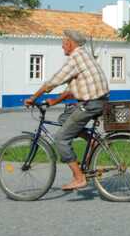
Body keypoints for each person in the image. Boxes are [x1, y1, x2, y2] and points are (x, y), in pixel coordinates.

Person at [24, 29, 109, 190]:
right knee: (63, 119)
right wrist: (54, 101)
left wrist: (33, 97)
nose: (62, 47)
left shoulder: (75, 58)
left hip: (91, 103)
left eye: (63, 44)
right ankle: (92, 141)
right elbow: (71, 88)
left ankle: (79, 177)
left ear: (70, 43)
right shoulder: (84, 56)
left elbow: (54, 81)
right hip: (97, 101)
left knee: (61, 138)